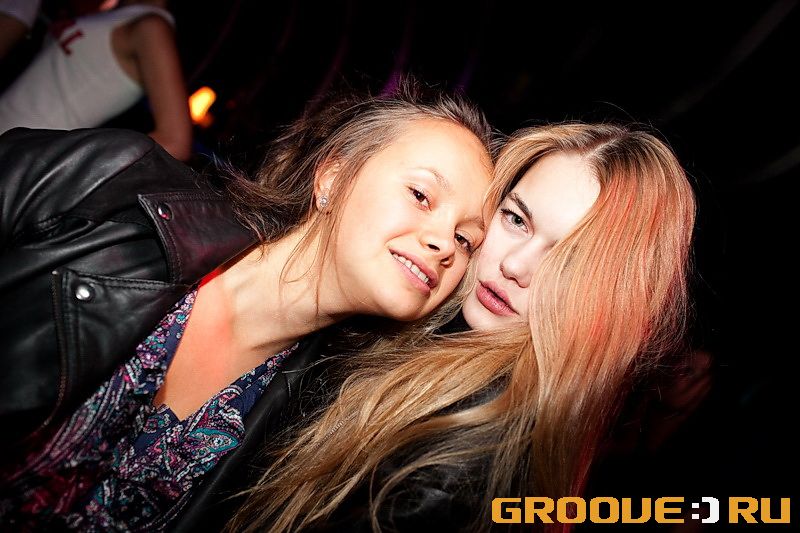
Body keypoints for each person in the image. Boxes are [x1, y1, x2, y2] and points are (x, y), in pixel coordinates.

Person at [0, 79, 494, 531]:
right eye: (421, 195)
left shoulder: (308, 433)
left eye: (465, 239)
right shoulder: (115, 186)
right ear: (333, 175)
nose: (443, 244)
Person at [227, 123, 697, 532]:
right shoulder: (400, 330)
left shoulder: (457, 469)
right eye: (516, 219)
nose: (514, 266)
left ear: (612, 300)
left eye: (568, 262)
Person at [0, 0, 192, 160]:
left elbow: (176, 142)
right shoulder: (120, 13)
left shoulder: (152, 27)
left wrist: (76, 167)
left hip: (20, 154)